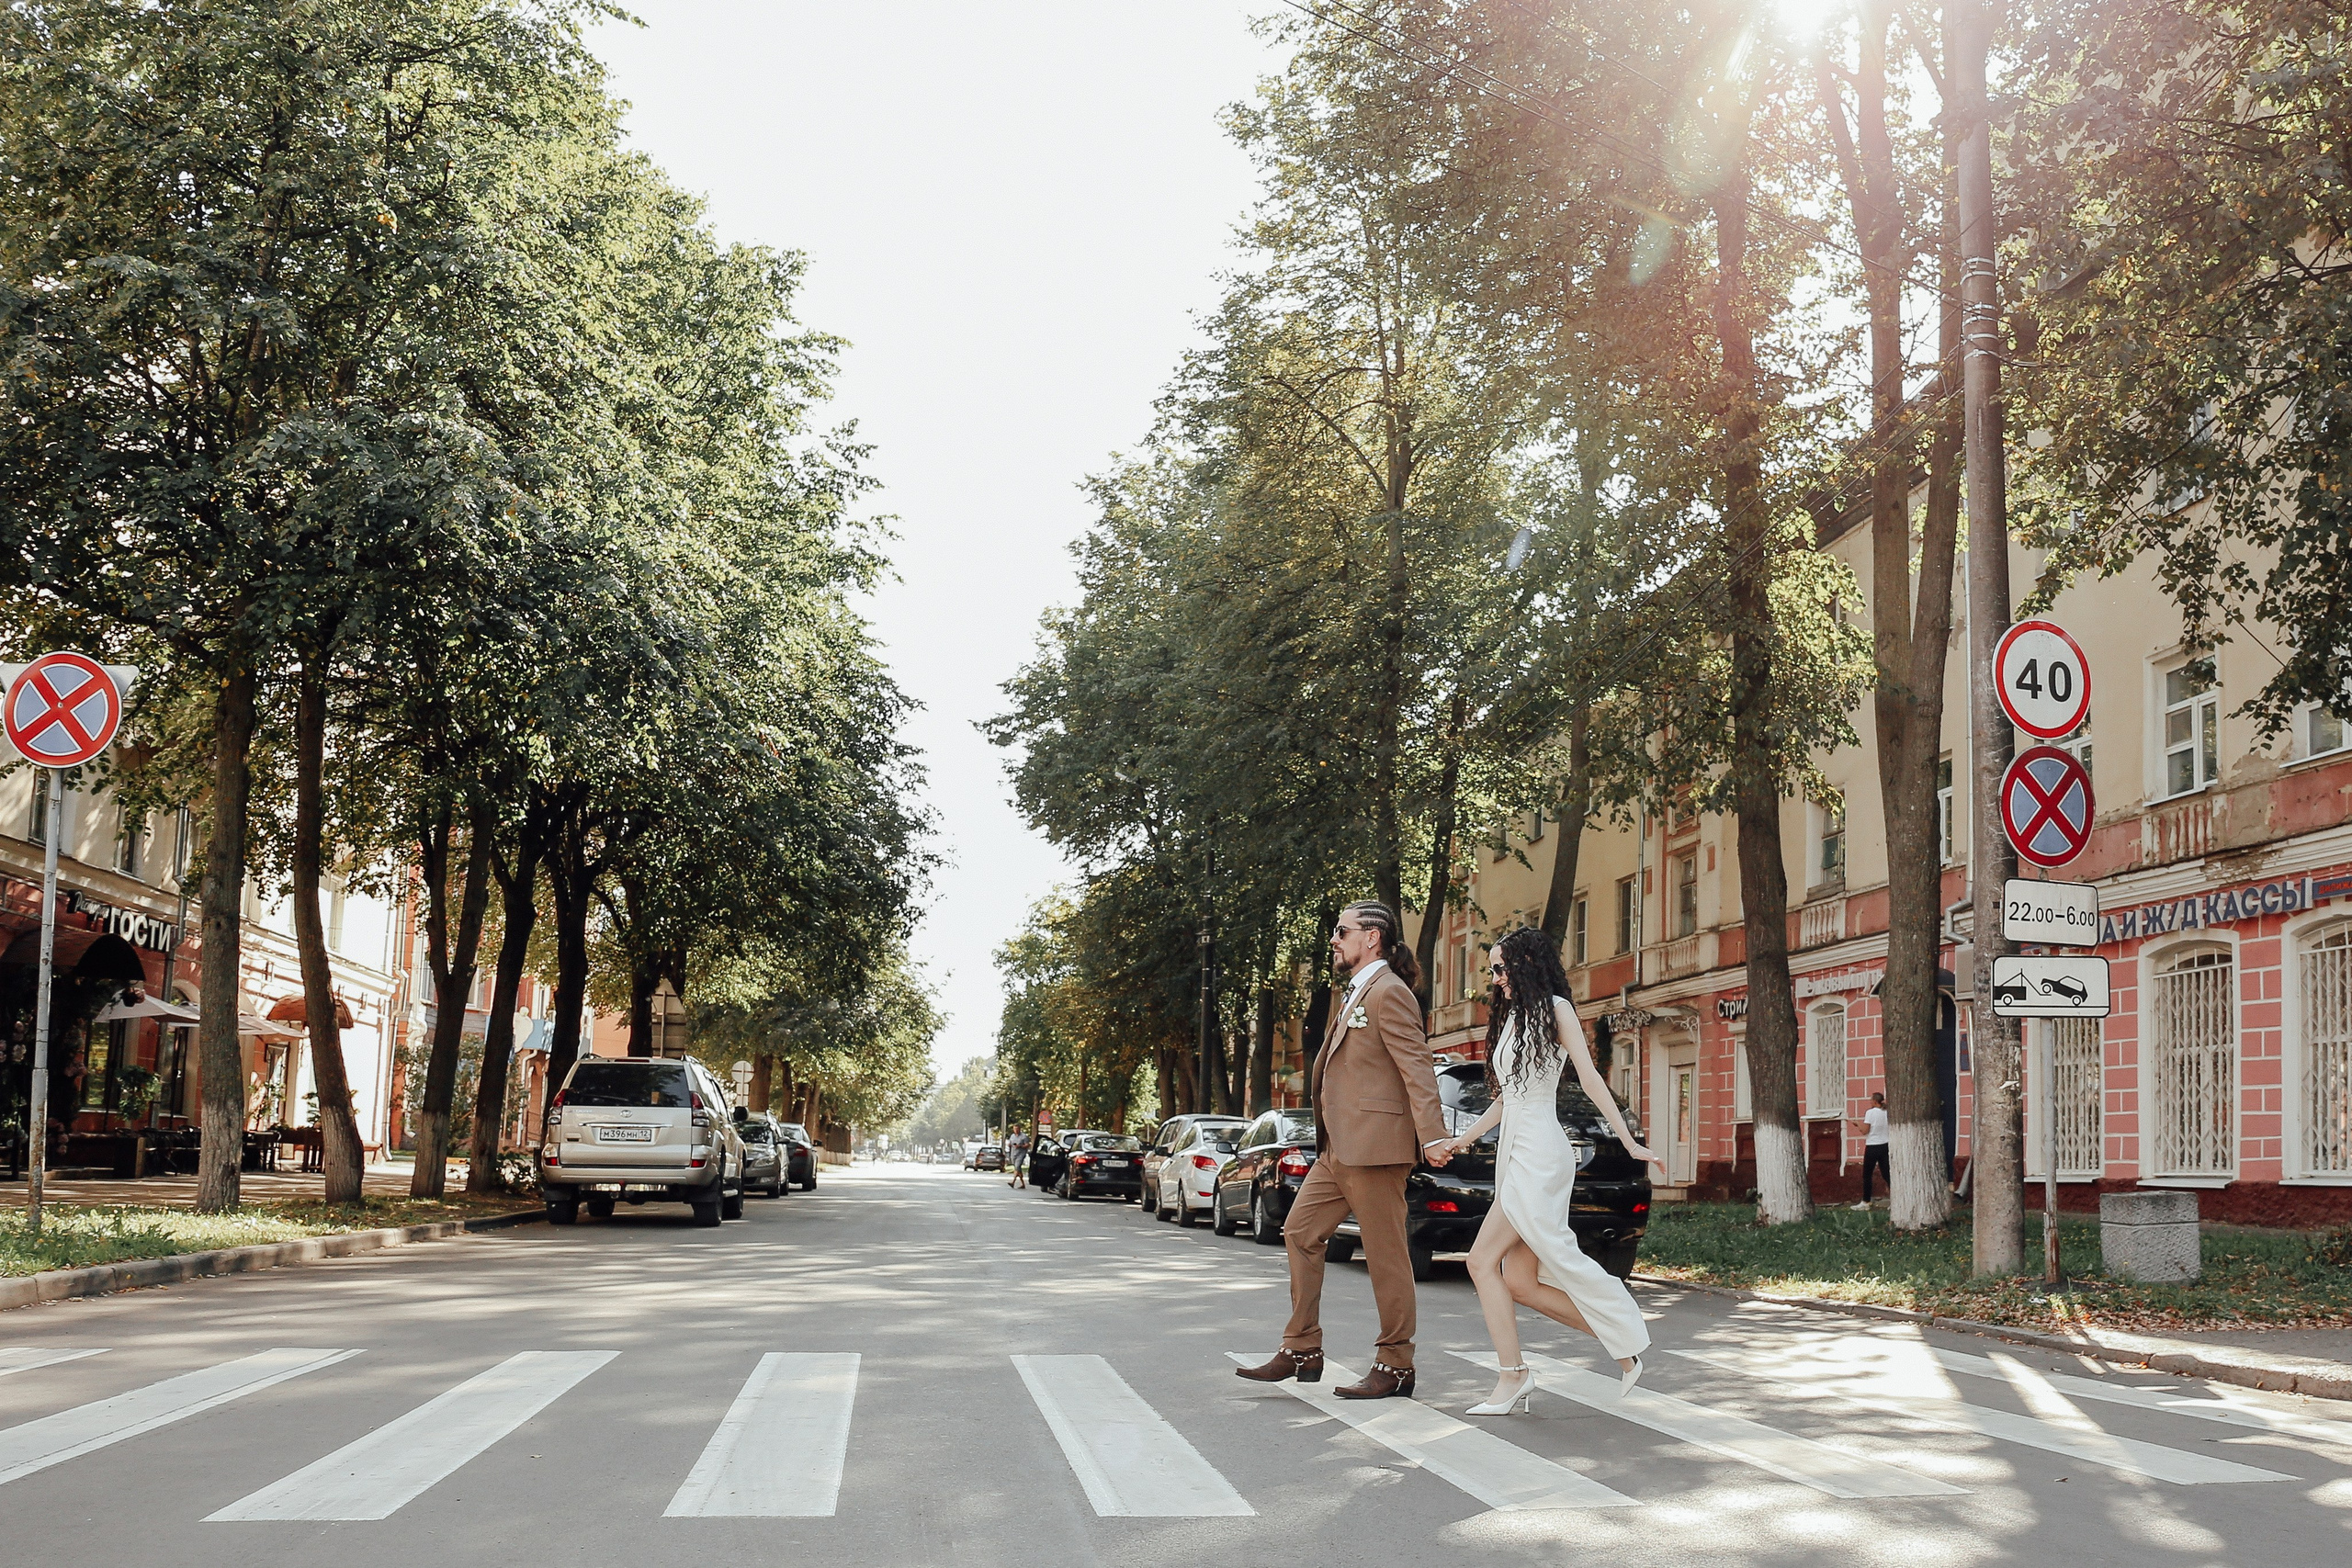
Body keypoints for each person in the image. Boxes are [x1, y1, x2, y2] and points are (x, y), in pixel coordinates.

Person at [1430, 927, 1659, 1415]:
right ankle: (1623, 1344)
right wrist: (1461, 1140)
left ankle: (1513, 1376)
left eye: (1501, 969)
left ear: (1527, 966)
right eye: (1491, 970)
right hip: (1518, 1149)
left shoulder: (1557, 1010)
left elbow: (1591, 1078)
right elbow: (1505, 1100)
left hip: (1540, 1154)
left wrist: (1628, 1141)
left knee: (1478, 1262)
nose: (1495, 979)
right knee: (1520, 1282)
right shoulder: (1514, 1017)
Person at [1236, 901, 1453, 1401]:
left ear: (1372, 937)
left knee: (1386, 1257)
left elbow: (1416, 1068)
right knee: (1300, 1232)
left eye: (1342, 931)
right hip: (1339, 1147)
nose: (1334, 939)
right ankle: (1302, 1347)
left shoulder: (1390, 993)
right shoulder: (1356, 991)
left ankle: (1396, 1363)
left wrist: (1434, 1135)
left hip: (1376, 1149)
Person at [1850, 1092, 1890, 1209]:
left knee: (1867, 1174)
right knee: (1887, 1173)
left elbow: (1865, 1131)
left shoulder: (1870, 1113)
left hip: (1872, 1146)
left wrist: (1857, 1124)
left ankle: (1866, 1201)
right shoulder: (1886, 1112)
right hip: (1885, 1145)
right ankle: (1896, 1200)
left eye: (1870, 1100)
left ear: (1874, 1101)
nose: (1869, 1101)